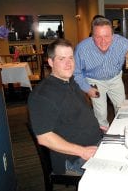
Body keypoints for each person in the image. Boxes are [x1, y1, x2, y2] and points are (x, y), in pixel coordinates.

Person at [28, 39, 103, 175]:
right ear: (50, 62)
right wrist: (83, 151)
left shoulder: (70, 81)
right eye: (62, 59)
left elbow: (77, 113)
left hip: (97, 142)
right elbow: (44, 137)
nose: (68, 63)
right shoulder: (42, 95)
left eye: (70, 58)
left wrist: (98, 128)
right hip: (74, 158)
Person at [74, 17, 128, 128]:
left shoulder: (122, 43)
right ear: (92, 35)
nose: (103, 41)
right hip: (95, 81)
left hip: (115, 78)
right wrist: (87, 88)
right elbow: (76, 73)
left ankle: (122, 130)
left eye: (107, 36)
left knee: (122, 109)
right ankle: (103, 137)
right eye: (98, 37)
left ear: (113, 35)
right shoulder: (82, 49)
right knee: (101, 113)